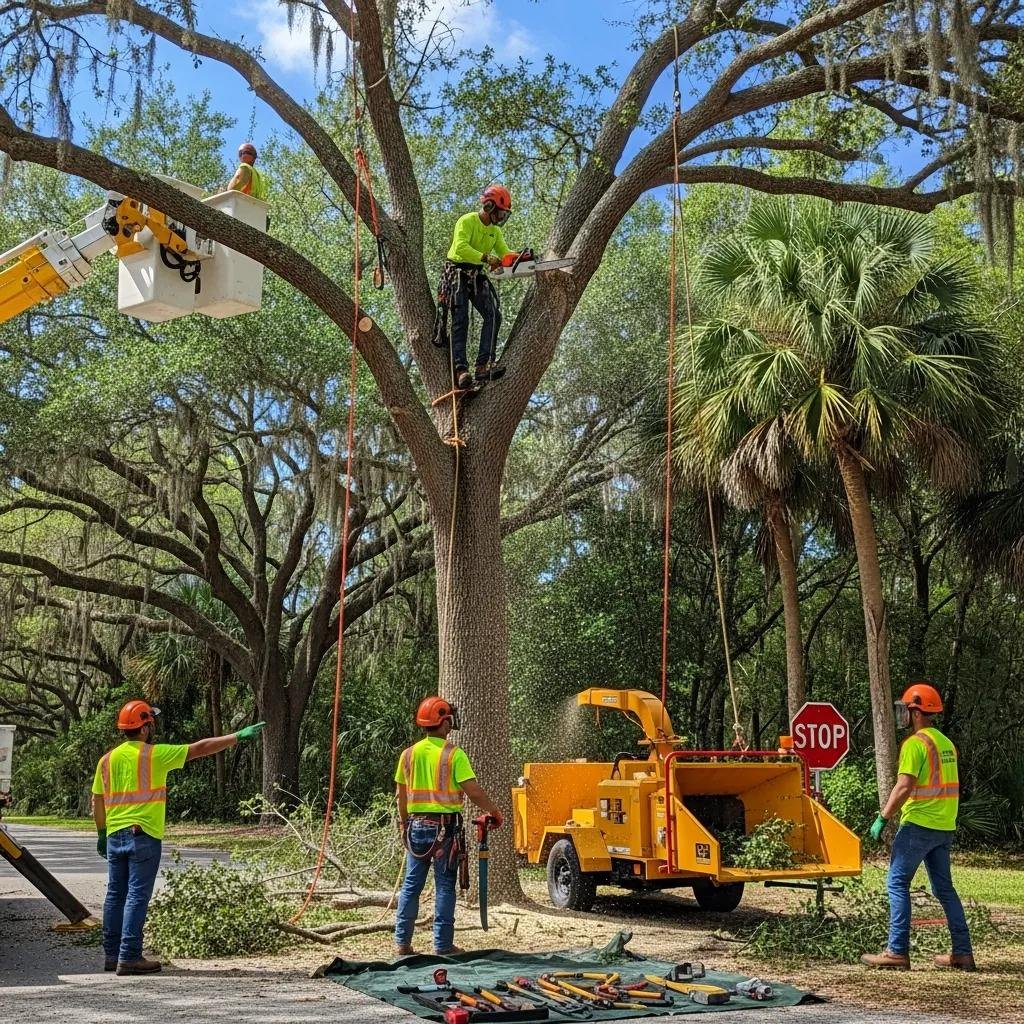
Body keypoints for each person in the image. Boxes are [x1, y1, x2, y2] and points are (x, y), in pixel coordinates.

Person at [92, 700, 265, 976]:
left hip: (114, 835)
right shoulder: (154, 755)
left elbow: (97, 801)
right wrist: (236, 736)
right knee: (137, 894)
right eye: (151, 723)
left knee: (116, 894)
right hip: (143, 834)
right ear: (146, 727)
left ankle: (112, 956)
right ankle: (130, 957)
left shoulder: (106, 760)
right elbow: (200, 748)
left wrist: (102, 833)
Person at [861, 682, 974, 971]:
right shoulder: (946, 744)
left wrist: (882, 817)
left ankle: (896, 951)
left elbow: (904, 786)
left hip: (918, 825)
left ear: (915, 712)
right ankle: (962, 953)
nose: (905, 716)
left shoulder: (915, 744)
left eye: (907, 710)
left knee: (897, 882)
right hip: (944, 825)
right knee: (944, 889)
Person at [394, 696, 503, 958]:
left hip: (416, 827)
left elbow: (402, 795)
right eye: (448, 719)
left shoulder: (408, 754)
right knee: (444, 885)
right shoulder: (453, 754)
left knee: (411, 885)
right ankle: (442, 945)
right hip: (445, 829)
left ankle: (402, 943)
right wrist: (494, 811)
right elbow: (473, 790)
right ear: (444, 722)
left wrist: (404, 824)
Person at [440, 185, 519, 390]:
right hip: (456, 272)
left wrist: (521, 258)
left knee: (493, 315)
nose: (501, 218)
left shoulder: (494, 232)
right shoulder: (467, 221)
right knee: (461, 319)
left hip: (475, 274)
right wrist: (485, 257)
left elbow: (504, 253)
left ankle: (483, 365)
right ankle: (461, 370)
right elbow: (460, 248)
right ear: (490, 205)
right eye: (500, 213)